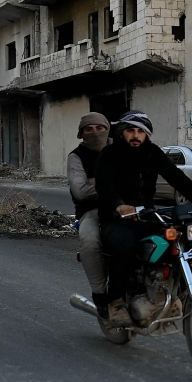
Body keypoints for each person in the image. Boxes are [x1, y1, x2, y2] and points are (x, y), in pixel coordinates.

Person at [95, 111, 192, 325]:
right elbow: (103, 185)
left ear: (147, 134)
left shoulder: (153, 153)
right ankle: (115, 301)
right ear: (122, 133)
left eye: (140, 131)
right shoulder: (110, 153)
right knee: (124, 244)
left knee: (182, 239)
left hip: (147, 216)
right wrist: (119, 206)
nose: (136, 135)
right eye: (131, 131)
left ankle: (174, 292)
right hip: (116, 219)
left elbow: (175, 175)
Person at [66, 112, 110, 317]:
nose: (95, 133)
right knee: (90, 241)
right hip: (93, 211)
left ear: (107, 128)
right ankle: (100, 294)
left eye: (99, 128)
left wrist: (96, 182)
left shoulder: (121, 149)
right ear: (81, 134)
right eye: (89, 129)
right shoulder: (76, 157)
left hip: (128, 208)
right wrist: (116, 185)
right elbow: (81, 192)